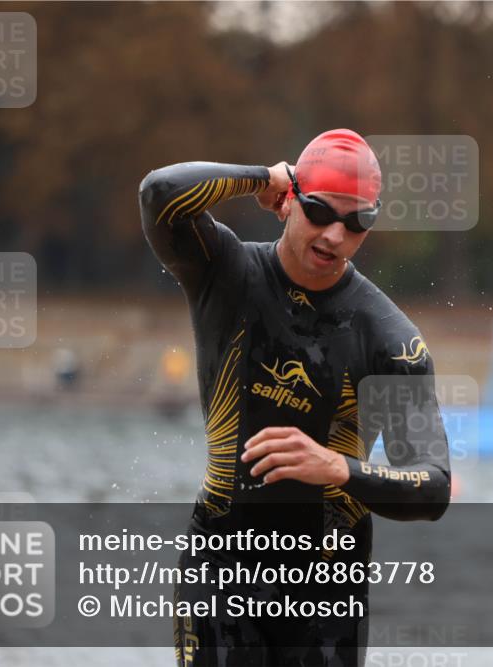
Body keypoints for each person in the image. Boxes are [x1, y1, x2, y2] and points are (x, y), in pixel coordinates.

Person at [139, 129, 451, 666]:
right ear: (289, 201)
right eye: (319, 212)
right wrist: (260, 178)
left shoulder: (388, 339)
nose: (334, 235)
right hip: (222, 558)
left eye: (356, 223)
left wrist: (338, 468)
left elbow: (433, 485)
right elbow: (159, 193)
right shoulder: (227, 272)